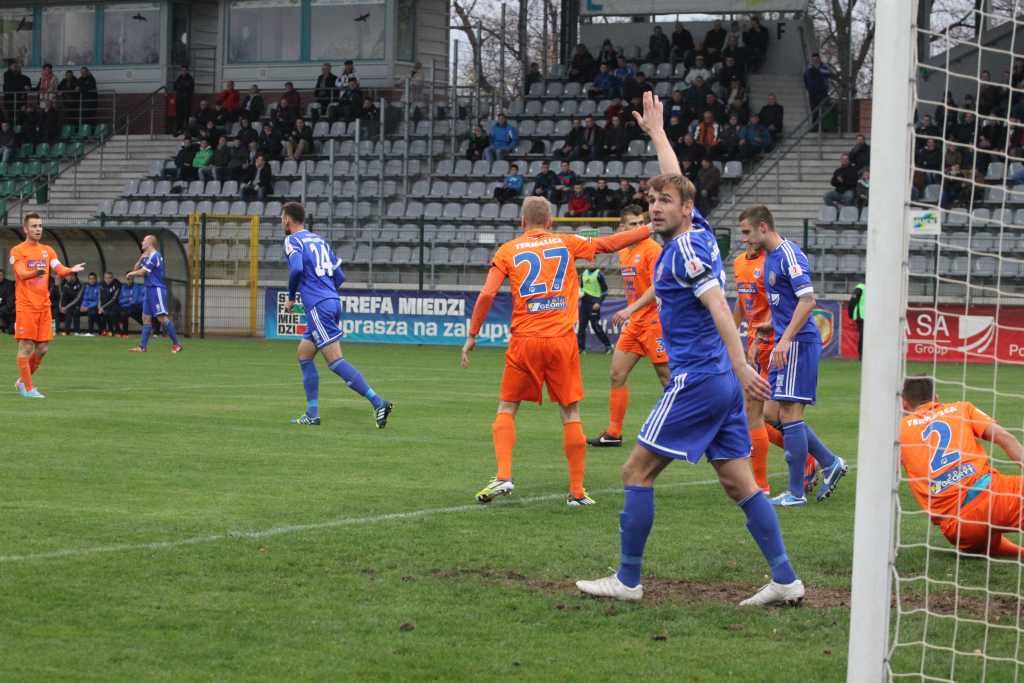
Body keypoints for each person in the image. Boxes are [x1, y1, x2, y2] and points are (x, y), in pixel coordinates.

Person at [576, 92, 803, 608]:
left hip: (701, 378)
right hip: (718, 379)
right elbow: (677, 182)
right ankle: (786, 578)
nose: (655, 207)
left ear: (687, 210)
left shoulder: (682, 251)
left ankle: (628, 580)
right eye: (651, 201)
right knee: (738, 481)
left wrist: (744, 364)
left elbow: (720, 306)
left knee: (635, 470)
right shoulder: (697, 234)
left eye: (664, 202)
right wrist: (657, 134)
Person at [461, 196, 654, 506]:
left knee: (507, 407)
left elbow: (486, 294)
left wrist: (472, 334)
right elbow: (608, 244)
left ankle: (503, 475)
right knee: (570, 412)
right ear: (550, 221)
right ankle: (576, 492)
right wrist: (647, 229)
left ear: (522, 222)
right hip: (561, 340)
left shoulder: (507, 250)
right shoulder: (565, 242)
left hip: (525, 339)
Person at [740, 205, 847, 507]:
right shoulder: (771, 258)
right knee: (771, 414)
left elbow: (808, 300)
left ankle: (795, 492)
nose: (745, 240)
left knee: (789, 415)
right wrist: (769, 326)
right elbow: (788, 306)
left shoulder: (789, 255)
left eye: (747, 232)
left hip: (797, 344)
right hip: (784, 341)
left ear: (763, 227)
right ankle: (829, 461)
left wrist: (785, 339)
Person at [281, 202, 392, 427]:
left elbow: (297, 269)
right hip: (330, 301)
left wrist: (292, 296)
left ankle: (378, 402)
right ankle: (312, 414)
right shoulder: (320, 241)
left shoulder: (293, 240)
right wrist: (327, 292)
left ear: (287, 219)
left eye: (282, 218)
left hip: (318, 306)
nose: (282, 221)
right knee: (304, 354)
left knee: (334, 361)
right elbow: (339, 275)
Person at [899, 376, 1024, 557]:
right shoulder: (961, 408)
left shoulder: (898, 430)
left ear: (904, 404)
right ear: (937, 397)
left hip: (957, 528)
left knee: (982, 547)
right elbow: (1004, 438)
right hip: (993, 495)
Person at [588, 205, 670, 448]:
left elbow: (659, 287)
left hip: (655, 321)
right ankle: (614, 433)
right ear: (622, 228)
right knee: (617, 374)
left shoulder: (653, 250)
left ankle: (681, 429)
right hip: (636, 323)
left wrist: (630, 309)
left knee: (667, 379)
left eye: (640, 223)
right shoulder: (624, 251)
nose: (638, 228)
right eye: (632, 225)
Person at [10, 213, 85, 398]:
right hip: (26, 305)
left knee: (42, 349)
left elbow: (58, 267)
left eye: (40, 226)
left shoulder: (47, 250)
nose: (38, 229)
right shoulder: (17, 251)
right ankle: (28, 389)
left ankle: (22, 381)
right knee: (26, 347)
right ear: (25, 229)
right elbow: (20, 272)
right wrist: (36, 271)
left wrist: (70, 270)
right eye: (34, 226)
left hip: (44, 306)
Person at [124, 235, 183, 354]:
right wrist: (141, 258)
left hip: (156, 290)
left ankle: (177, 344)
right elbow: (136, 268)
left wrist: (131, 274)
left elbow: (142, 272)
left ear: (150, 242)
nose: (142, 242)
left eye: (144, 240)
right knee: (146, 318)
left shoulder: (155, 256)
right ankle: (142, 347)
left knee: (161, 318)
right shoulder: (146, 256)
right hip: (148, 290)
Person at [804, 53, 832, 125]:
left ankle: (825, 125)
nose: (815, 61)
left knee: (824, 108)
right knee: (814, 109)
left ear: (819, 59)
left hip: (822, 91)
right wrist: (808, 87)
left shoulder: (824, 66)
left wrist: (818, 70)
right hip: (812, 92)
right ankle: (815, 125)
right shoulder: (809, 67)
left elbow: (829, 73)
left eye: (816, 59)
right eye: (813, 60)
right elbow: (805, 77)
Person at [97, 272, 121, 336]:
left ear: (112, 278)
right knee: (95, 312)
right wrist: (99, 307)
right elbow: (99, 297)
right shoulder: (101, 285)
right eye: (106, 278)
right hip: (103, 306)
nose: (107, 279)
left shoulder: (116, 285)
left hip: (114, 305)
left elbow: (114, 299)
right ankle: (103, 330)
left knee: (111, 313)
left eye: (109, 278)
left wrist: (102, 307)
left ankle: (116, 331)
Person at [848, 282, 865, 360]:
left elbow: (852, 301)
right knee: (864, 336)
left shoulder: (860, 287)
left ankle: (862, 356)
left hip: (863, 316)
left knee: (863, 336)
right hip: (863, 316)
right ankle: (862, 356)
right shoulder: (861, 288)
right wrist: (851, 313)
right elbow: (853, 301)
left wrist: (850, 313)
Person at [0, 268, 14, 333]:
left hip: (7, 313)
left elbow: (10, 303)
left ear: (3, 275)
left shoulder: (9, 285)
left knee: (10, 330)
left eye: (0, 275)